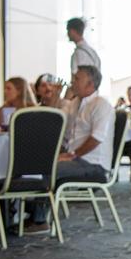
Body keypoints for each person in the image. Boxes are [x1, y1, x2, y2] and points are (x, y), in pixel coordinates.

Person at [26, 64, 114, 232]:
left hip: (93, 164)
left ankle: (38, 220)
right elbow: (56, 121)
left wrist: (72, 155)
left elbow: (97, 138)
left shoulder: (101, 105)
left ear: (90, 84)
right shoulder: (75, 103)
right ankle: (21, 213)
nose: (72, 81)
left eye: (77, 79)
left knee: (47, 169)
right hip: (77, 159)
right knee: (35, 164)